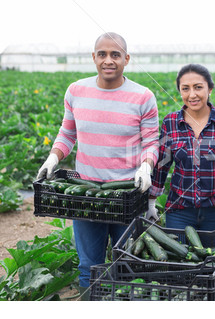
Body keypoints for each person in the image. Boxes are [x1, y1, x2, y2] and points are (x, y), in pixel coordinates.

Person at [36, 32, 159, 300]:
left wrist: (146, 167)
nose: (108, 60)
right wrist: (53, 157)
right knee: (88, 267)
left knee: (127, 265)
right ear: (94, 57)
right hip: (87, 195)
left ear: (126, 59)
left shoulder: (143, 97)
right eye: (102, 54)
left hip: (127, 195)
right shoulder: (76, 91)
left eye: (115, 55)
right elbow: (67, 134)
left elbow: (151, 142)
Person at [148, 64, 215, 238]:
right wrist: (151, 203)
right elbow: (162, 166)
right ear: (180, 92)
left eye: (198, 87)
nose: (192, 94)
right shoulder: (171, 122)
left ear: (210, 89)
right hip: (179, 211)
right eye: (185, 89)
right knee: (180, 264)